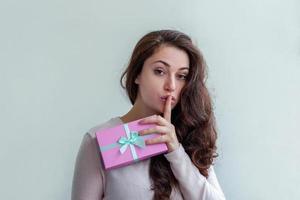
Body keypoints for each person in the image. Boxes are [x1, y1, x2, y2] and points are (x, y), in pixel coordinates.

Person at [71, 30, 226, 200]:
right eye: (160, 71)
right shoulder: (97, 140)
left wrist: (175, 152)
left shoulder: (190, 138)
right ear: (137, 74)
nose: (171, 85)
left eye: (181, 76)